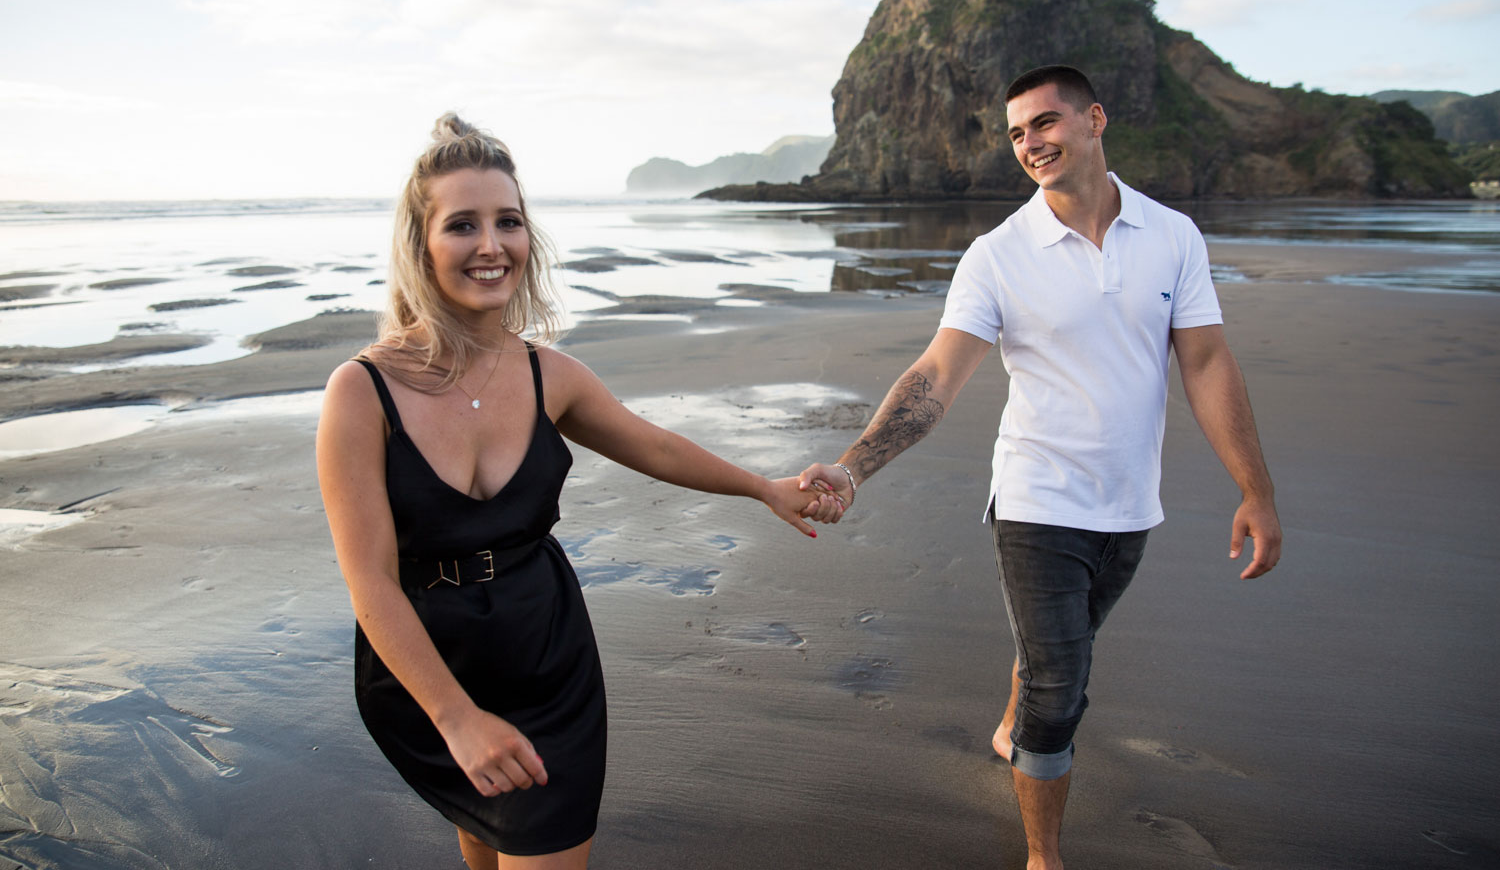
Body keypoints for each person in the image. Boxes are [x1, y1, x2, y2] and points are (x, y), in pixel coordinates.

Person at [316, 114, 833, 869]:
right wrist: (455, 717)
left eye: (509, 223)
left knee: (536, 836)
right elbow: (370, 581)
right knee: (490, 839)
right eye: (463, 225)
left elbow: (652, 445)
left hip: (544, 655)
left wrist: (764, 488)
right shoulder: (362, 392)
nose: (492, 246)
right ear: (420, 247)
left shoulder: (547, 374)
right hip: (426, 671)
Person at [798, 65, 1283, 870]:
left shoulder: (1173, 235)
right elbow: (936, 378)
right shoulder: (998, 256)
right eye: (1017, 132)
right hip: (1037, 500)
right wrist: (853, 468)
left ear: (1094, 120)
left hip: (1130, 506)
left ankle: (1013, 713)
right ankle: (1043, 856)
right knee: (1063, 689)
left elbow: (1204, 363)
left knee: (1063, 643)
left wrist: (1255, 490)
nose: (1031, 143)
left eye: (1046, 123)